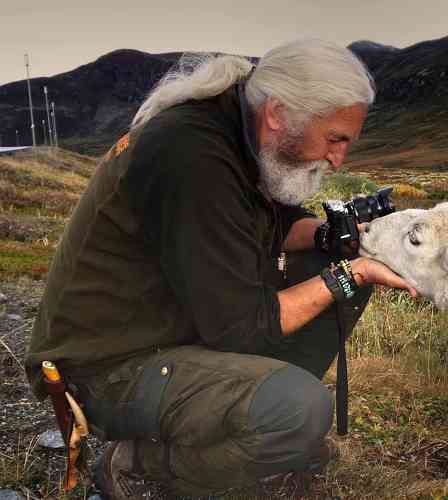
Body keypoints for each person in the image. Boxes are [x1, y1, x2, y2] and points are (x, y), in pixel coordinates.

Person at [24, 39, 416, 498]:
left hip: (166, 332)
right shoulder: (192, 156)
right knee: (298, 410)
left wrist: (336, 238)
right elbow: (241, 330)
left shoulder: (236, 131)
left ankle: (257, 424)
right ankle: (140, 463)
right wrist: (354, 273)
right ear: (278, 114)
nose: (338, 159)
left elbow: (275, 225)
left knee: (335, 264)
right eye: (334, 139)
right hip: (105, 366)